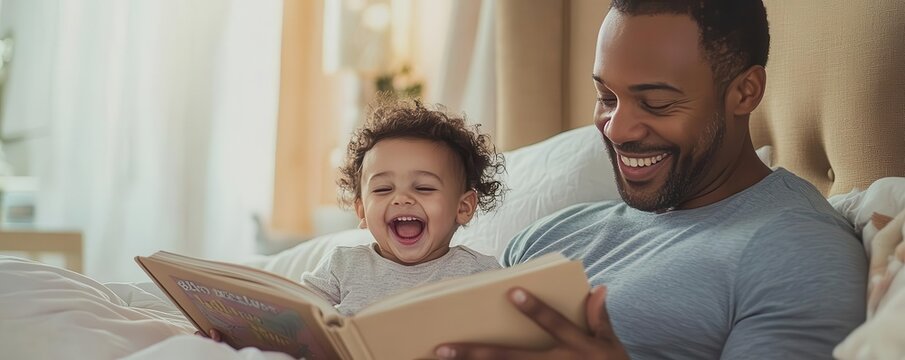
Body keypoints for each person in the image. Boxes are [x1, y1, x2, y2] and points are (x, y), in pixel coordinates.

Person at [435, 0, 866, 359]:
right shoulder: (550, 235)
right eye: (607, 97)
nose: (616, 129)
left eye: (656, 103)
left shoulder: (796, 252)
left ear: (745, 92)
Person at [299, 97, 506, 316]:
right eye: (383, 189)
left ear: (463, 207)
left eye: (424, 188)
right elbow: (298, 314)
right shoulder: (343, 265)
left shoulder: (478, 273)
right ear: (362, 212)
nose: (402, 198)